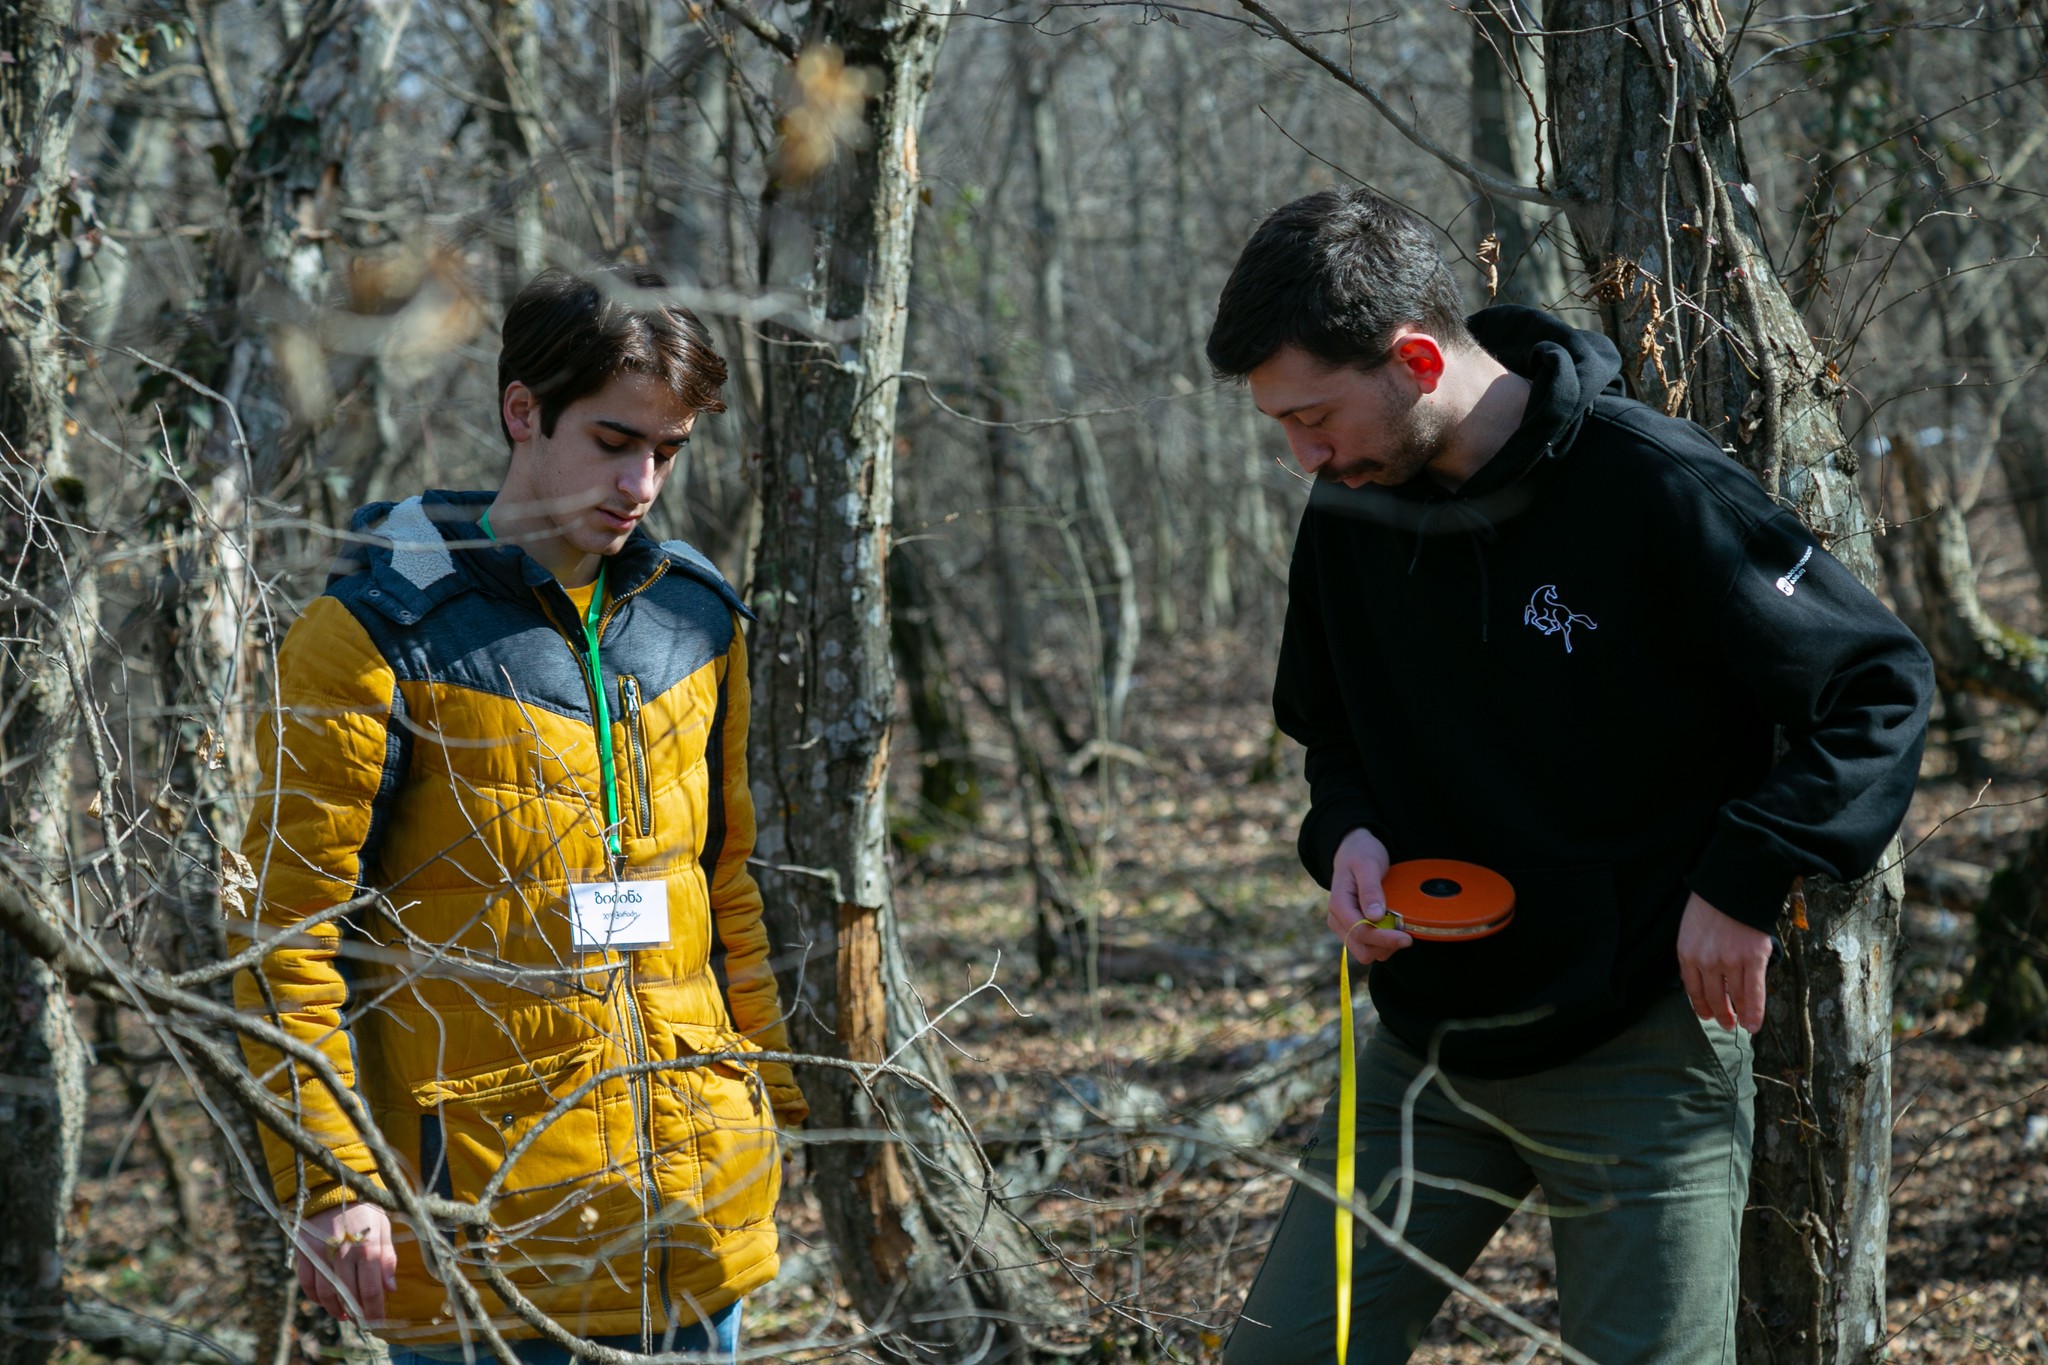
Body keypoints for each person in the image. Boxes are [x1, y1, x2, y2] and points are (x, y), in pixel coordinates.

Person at [1207, 189, 1933, 1363]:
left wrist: (1745, 876)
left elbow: (1875, 683)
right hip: (1426, 1053)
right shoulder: (1350, 506)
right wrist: (1346, 834)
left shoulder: (1651, 485)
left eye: (1313, 416)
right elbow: (1328, 730)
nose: (1304, 457)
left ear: (1415, 360)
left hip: (1637, 1052)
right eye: (1281, 426)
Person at [231, 266, 806, 1362]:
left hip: (696, 1218)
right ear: (521, 410)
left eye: (668, 451)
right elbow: (285, 931)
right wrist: (332, 1181)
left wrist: (771, 1104)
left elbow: (726, 885)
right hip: (484, 1243)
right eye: (613, 440)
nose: (640, 483)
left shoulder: (696, 618)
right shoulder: (373, 636)